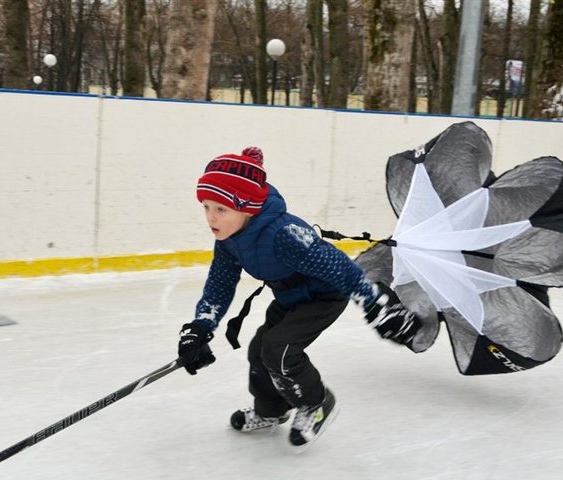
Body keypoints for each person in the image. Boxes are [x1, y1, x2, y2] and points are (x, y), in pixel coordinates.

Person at [177, 147, 420, 450]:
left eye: (221, 209)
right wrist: (201, 326)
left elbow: (338, 266)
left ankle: (316, 403)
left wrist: (374, 303)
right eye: (206, 207)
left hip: (324, 296)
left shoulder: (284, 234)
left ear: (248, 207)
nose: (211, 217)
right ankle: (271, 411)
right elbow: (220, 283)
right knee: (259, 351)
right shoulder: (229, 241)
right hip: (291, 297)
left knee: (278, 350)